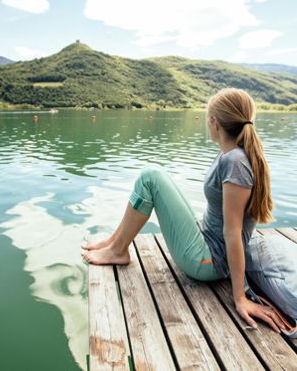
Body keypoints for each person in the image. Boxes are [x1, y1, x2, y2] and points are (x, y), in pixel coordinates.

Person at [81, 88, 286, 334]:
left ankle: (118, 250)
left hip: (209, 261)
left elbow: (233, 232)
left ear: (214, 122)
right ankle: (115, 242)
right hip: (207, 242)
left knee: (150, 178)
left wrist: (240, 296)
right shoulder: (228, 154)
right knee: (157, 177)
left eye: (207, 118)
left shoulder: (235, 163)